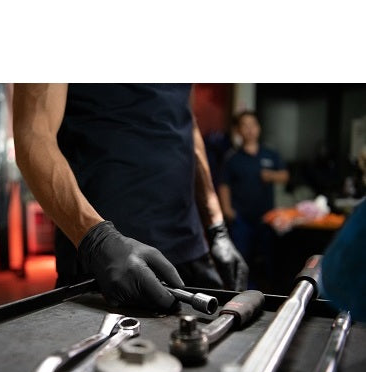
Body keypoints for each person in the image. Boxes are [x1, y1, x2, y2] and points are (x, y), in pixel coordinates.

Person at [13, 84, 248, 312]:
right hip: (112, 258)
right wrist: (98, 241)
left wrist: (216, 227)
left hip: (189, 243)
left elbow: (186, 122)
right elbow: (34, 136)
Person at [218, 110, 289, 289]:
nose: (250, 129)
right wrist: (227, 210)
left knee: (268, 261)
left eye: (253, 125)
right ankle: (242, 294)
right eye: (245, 125)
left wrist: (271, 175)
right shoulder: (232, 158)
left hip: (267, 218)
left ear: (259, 128)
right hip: (241, 219)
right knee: (241, 261)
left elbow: (285, 176)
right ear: (238, 130)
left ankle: (269, 295)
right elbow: (224, 185)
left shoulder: (270, 154)